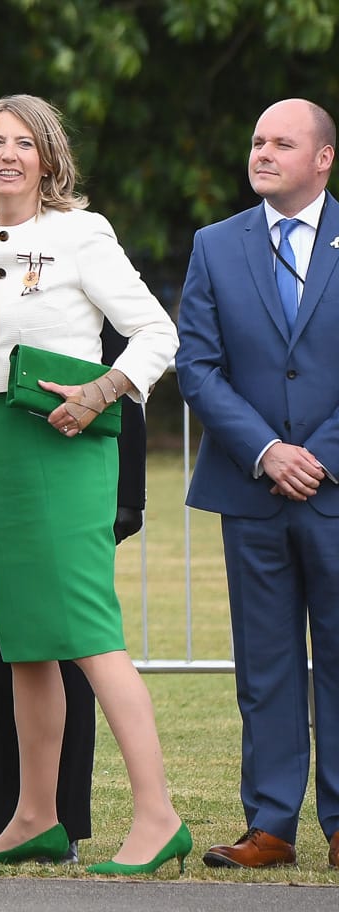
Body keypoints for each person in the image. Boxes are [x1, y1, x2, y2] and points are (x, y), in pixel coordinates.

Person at [0, 94, 186, 875]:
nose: (8, 155)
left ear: (49, 158)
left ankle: (158, 817)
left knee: (89, 633)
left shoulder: (82, 233)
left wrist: (99, 393)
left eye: (24, 142)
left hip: (68, 442)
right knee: (25, 644)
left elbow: (158, 332)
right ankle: (34, 815)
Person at [178, 97, 339, 871]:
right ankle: (271, 825)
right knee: (266, 665)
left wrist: (319, 455)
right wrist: (269, 450)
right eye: (256, 140)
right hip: (251, 490)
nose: (263, 152)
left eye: (282, 142)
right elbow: (197, 368)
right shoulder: (215, 245)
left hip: (336, 489)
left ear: (323, 159)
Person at [0, 325, 147, 866]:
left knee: (75, 650)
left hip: (64, 460)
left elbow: (122, 347)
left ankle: (69, 819)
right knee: (6, 654)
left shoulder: (81, 238)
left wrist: (126, 495)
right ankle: (20, 819)